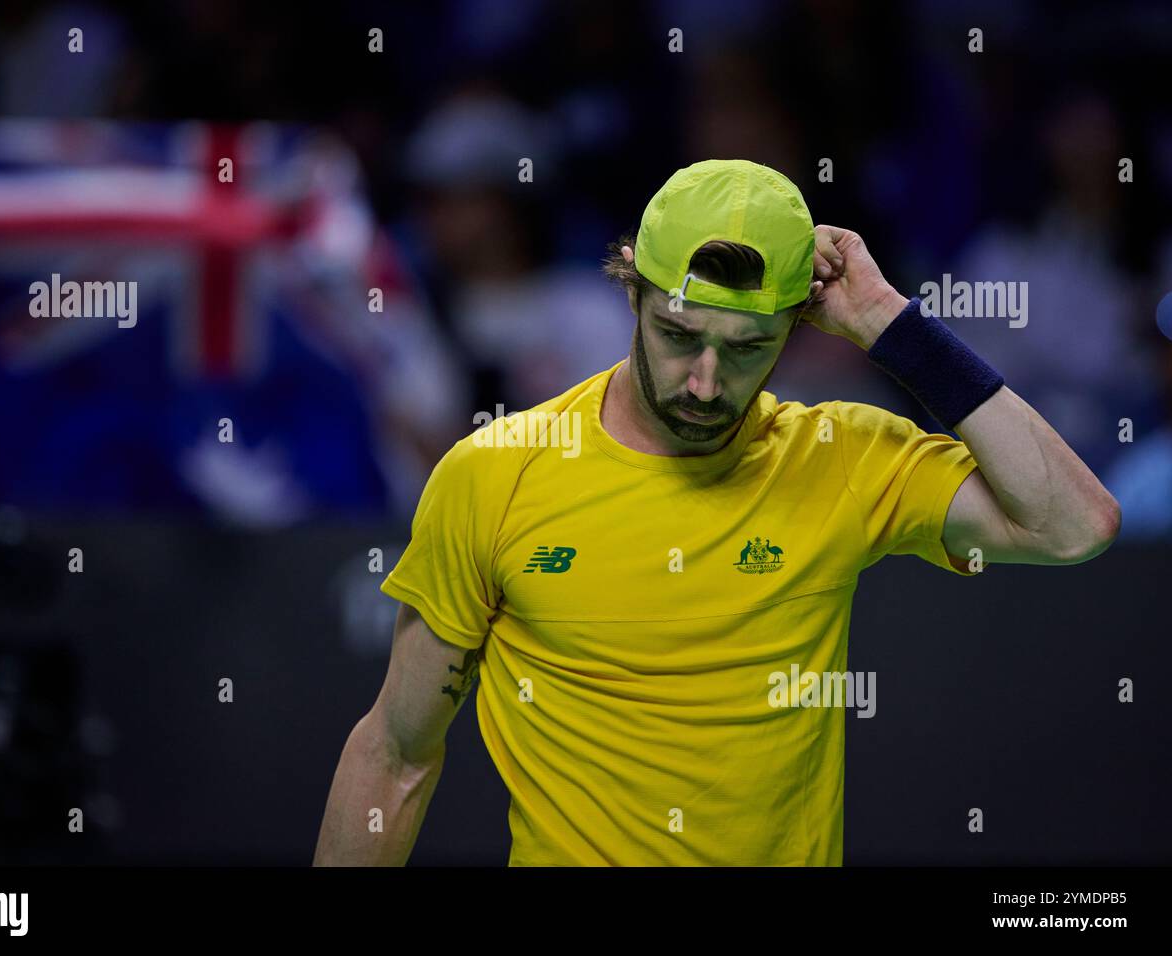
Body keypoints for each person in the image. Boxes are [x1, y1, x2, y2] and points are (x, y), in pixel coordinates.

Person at [313, 159, 1121, 866]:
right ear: (630, 284)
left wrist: (889, 324)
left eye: (746, 348)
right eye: (678, 333)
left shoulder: (840, 456)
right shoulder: (495, 474)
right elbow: (395, 754)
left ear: (798, 326)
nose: (704, 381)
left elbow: (1073, 524)